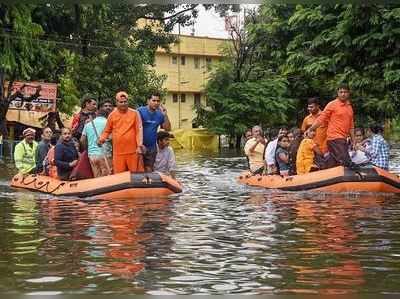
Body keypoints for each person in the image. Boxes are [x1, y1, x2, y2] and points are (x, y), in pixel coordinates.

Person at [307, 84, 354, 168]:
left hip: (343, 139)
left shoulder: (349, 107)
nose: (343, 94)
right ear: (337, 93)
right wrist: (311, 129)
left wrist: (354, 141)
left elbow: (351, 126)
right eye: (341, 92)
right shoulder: (332, 104)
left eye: (345, 92)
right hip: (335, 138)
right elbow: (321, 118)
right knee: (346, 162)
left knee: (333, 163)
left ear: (349, 93)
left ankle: (321, 172)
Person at [98, 91, 144, 174]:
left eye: (125, 102)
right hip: (118, 153)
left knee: (135, 175)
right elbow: (107, 130)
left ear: (128, 102)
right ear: (116, 102)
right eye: (121, 102)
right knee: (119, 176)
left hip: (133, 152)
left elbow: (139, 130)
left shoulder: (135, 113)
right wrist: (101, 139)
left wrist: (139, 145)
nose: (123, 104)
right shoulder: (112, 115)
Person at [137, 92, 171, 172]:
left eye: (158, 101)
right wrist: (140, 145)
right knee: (139, 170)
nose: (156, 103)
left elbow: (167, 128)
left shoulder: (160, 114)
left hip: (152, 148)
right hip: (139, 146)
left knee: (149, 170)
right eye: (154, 100)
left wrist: (165, 115)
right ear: (148, 101)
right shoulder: (139, 111)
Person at [81, 101, 113, 177]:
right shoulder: (108, 123)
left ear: (97, 114)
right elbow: (112, 138)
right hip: (104, 154)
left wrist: (88, 148)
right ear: (107, 115)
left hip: (92, 155)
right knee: (107, 179)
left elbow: (82, 140)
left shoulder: (88, 124)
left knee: (97, 178)